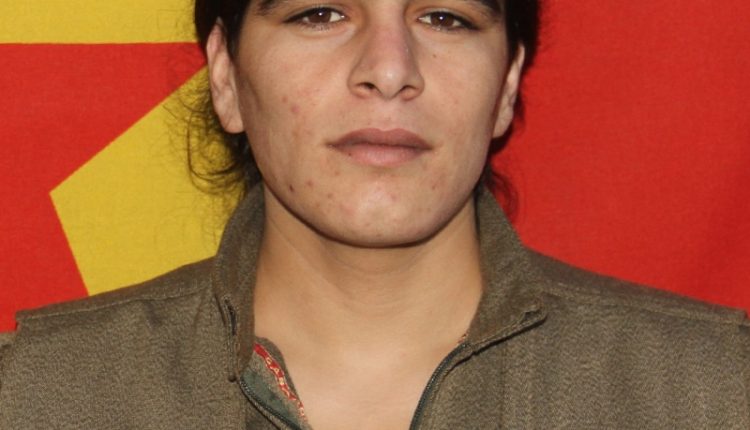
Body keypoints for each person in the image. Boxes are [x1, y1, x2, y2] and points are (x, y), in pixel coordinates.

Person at [1, 1, 748, 429]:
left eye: (445, 17)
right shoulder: (35, 395)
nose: (390, 70)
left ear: (507, 83)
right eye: (321, 13)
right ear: (225, 75)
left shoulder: (714, 393)